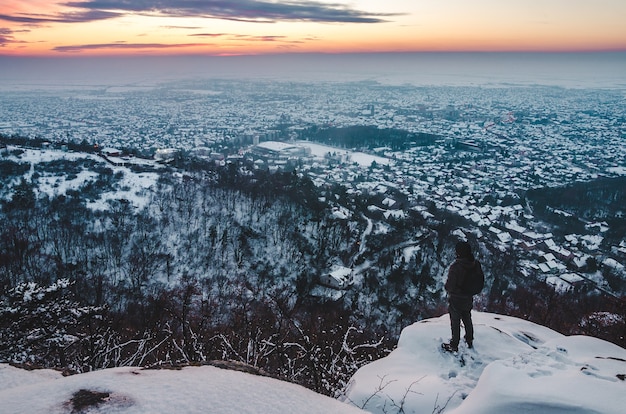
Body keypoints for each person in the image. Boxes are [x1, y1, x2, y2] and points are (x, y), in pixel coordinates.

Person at [442, 241, 483, 352]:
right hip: (468, 297)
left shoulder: (456, 267)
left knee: (455, 322)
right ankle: (469, 339)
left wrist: (448, 288)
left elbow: (450, 286)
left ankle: (454, 344)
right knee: (467, 318)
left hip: (456, 298)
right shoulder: (476, 264)